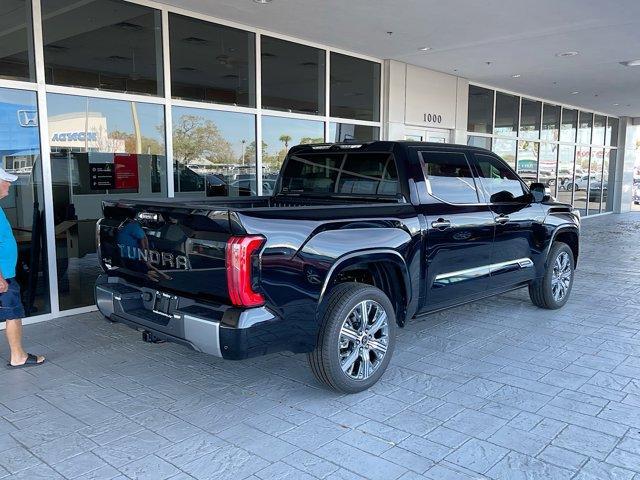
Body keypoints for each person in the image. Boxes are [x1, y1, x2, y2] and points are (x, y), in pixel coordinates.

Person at [0, 167, 45, 368]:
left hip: (5, 274)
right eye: (6, 180)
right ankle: (18, 356)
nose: (9, 184)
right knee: (13, 313)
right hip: (4, 277)